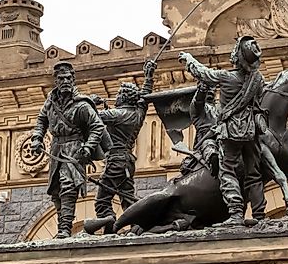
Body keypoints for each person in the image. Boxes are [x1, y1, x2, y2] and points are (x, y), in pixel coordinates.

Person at [178, 36, 268, 226]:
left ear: (237, 57)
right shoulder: (259, 79)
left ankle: (236, 213)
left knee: (227, 171)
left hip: (231, 132)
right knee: (254, 173)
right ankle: (260, 215)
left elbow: (203, 73)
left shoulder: (227, 78)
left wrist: (188, 58)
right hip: (251, 132)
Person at [31, 61, 107, 238]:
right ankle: (62, 227)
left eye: (68, 78)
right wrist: (37, 138)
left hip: (74, 149)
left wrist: (88, 147)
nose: (65, 81)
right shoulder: (50, 102)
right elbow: (41, 120)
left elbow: (97, 126)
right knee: (56, 190)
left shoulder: (82, 104)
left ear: (73, 80)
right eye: (61, 78)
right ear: (56, 81)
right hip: (56, 149)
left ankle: (65, 229)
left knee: (68, 186)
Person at [84, 60, 156, 234]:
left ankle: (109, 225)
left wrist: (90, 102)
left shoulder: (116, 114)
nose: (115, 97)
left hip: (116, 160)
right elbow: (144, 97)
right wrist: (148, 77)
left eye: (118, 94)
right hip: (128, 162)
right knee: (128, 198)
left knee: (102, 200)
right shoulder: (138, 114)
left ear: (123, 97)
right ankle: (137, 226)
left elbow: (91, 117)